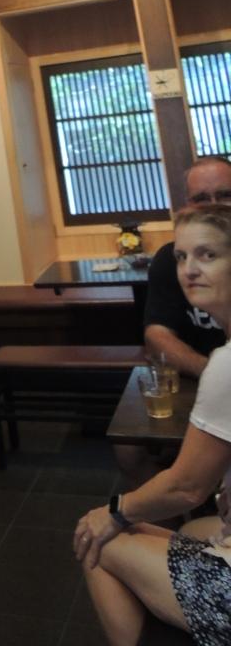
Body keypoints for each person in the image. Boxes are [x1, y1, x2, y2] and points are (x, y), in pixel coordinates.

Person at [73, 205, 231, 646]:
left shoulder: (226, 365)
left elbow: (187, 489)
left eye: (208, 255)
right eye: (181, 256)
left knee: (96, 537)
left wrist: (113, 511)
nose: (189, 270)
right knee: (190, 529)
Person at [144, 155, 231, 376]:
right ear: (189, 204)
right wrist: (214, 374)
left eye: (225, 195)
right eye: (202, 199)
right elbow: (157, 334)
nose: (214, 205)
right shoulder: (170, 259)